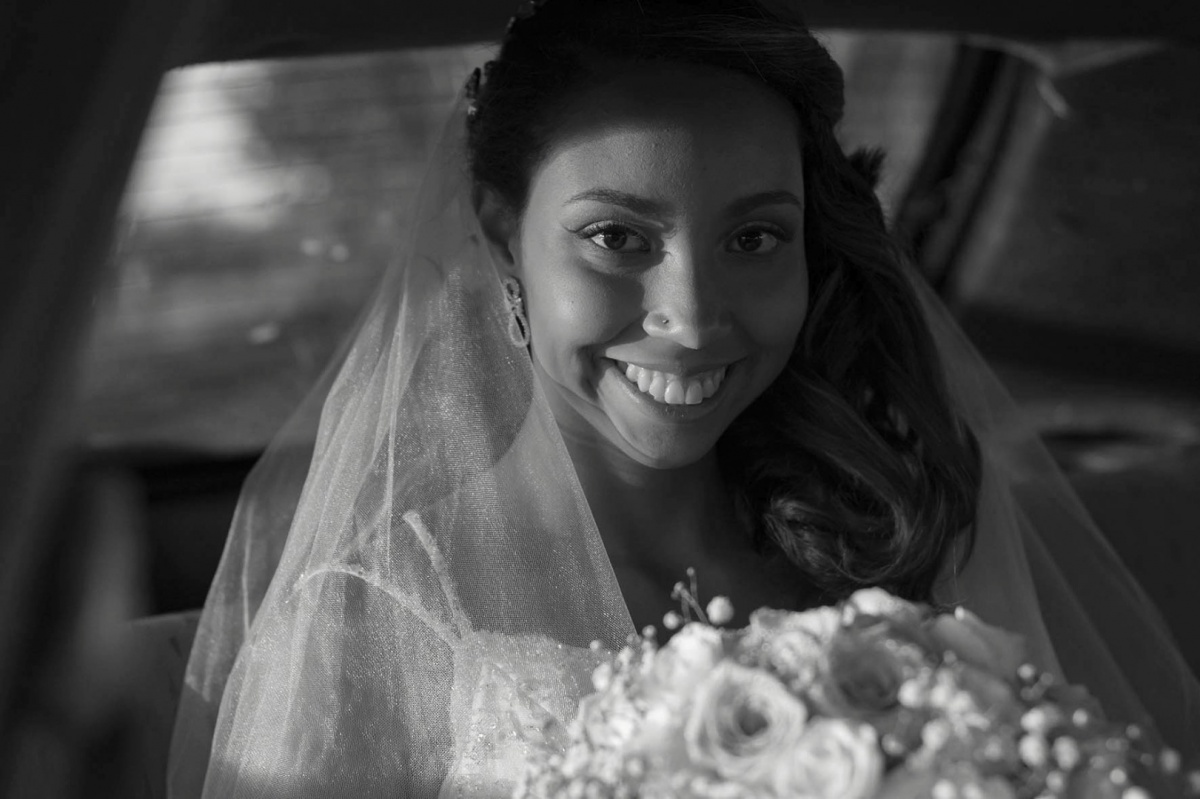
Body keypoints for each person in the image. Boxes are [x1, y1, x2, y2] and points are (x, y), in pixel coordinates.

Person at [168, 1, 1200, 796]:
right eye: (618, 238)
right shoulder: (360, 625)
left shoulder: (882, 551)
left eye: (754, 238)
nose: (696, 317)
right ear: (499, 237)